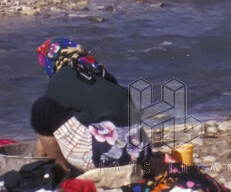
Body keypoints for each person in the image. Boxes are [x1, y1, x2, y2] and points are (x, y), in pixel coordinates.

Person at [30, 38, 150, 174]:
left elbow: (47, 123)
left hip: (103, 159)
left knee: (42, 109)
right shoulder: (100, 73)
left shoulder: (59, 79)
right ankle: (144, 168)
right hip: (142, 155)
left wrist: (39, 157)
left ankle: (59, 168)